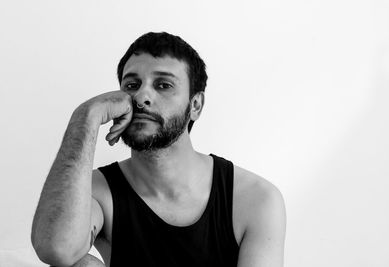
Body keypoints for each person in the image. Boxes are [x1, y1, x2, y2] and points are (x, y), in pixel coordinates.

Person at [31, 32, 286, 267]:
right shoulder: (98, 192)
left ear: (195, 105)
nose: (142, 97)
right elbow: (57, 250)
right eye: (131, 85)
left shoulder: (254, 199)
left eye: (163, 85)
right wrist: (86, 117)